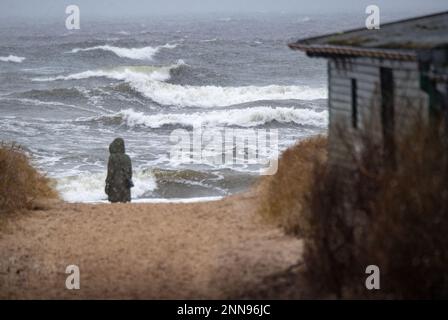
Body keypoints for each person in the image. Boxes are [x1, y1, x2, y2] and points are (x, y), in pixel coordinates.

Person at [105, 138, 133, 203]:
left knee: (114, 204)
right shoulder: (127, 157)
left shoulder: (112, 157)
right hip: (125, 186)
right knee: (124, 205)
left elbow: (110, 173)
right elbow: (130, 173)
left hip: (115, 186)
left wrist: (107, 184)